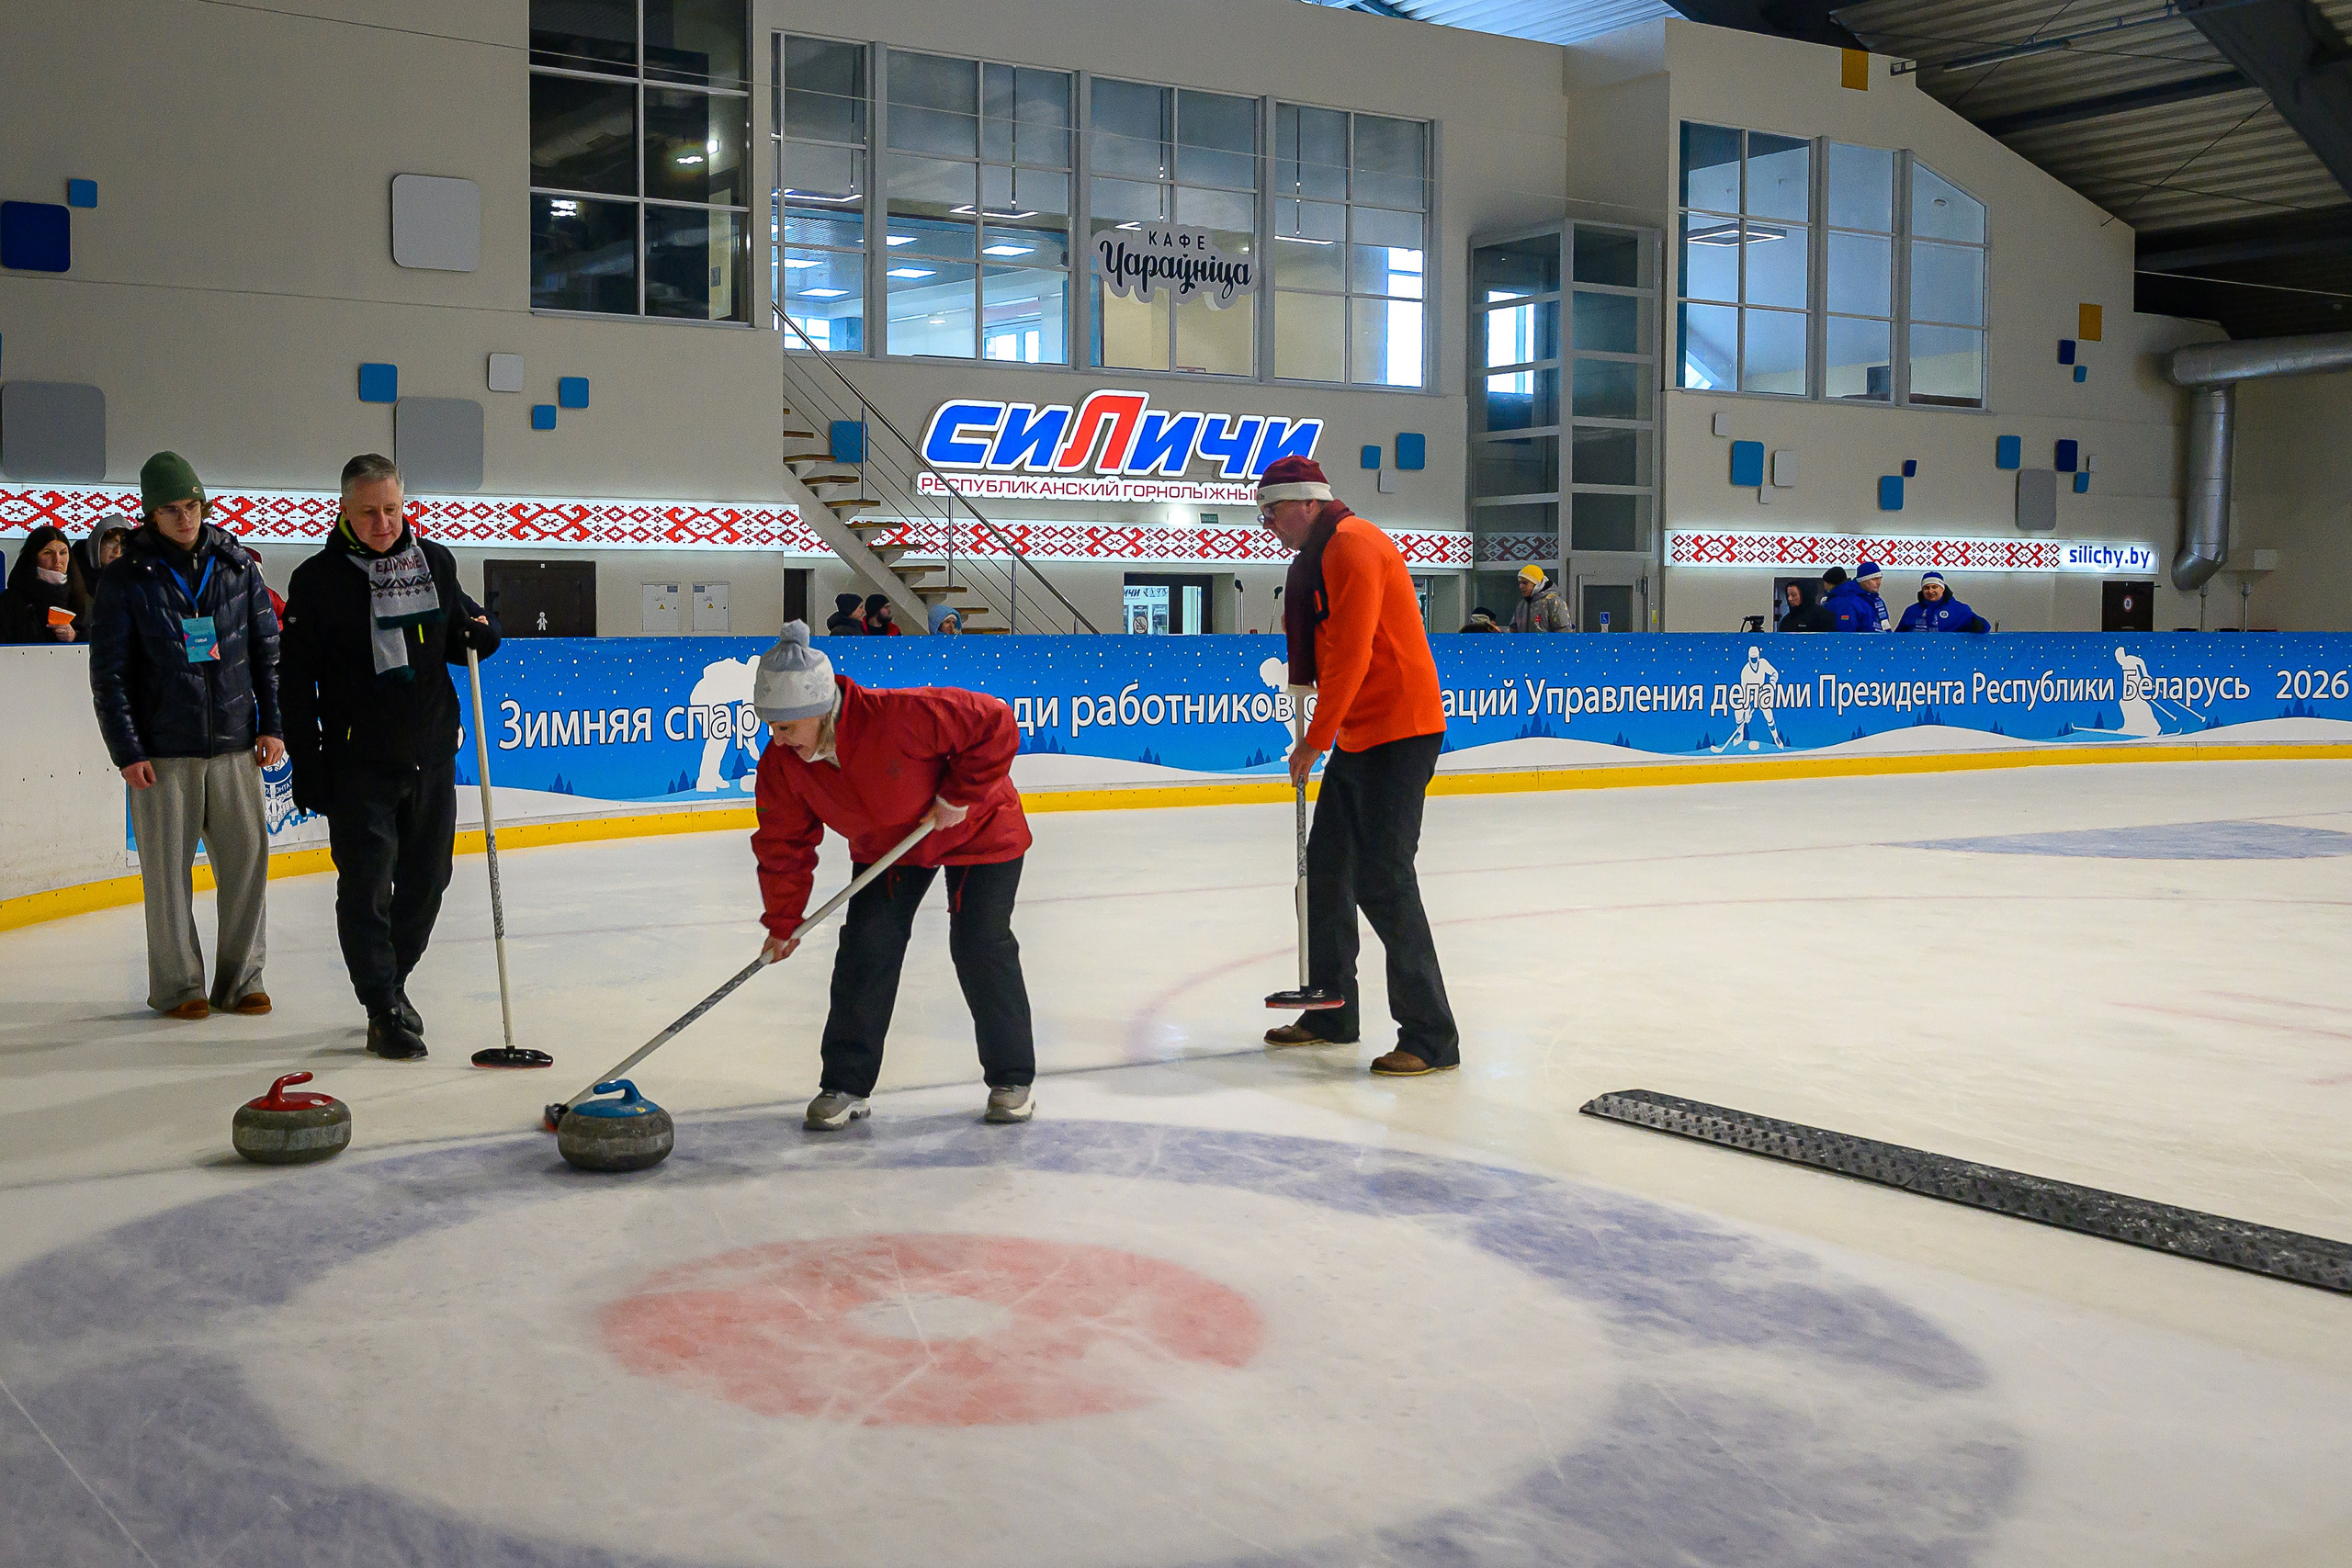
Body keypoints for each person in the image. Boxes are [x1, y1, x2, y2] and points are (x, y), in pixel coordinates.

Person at [748, 622, 1036, 1128]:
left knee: (979, 943)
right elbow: (783, 844)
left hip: (977, 829)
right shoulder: (783, 763)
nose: (777, 739)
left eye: (785, 727)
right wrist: (783, 919)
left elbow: (996, 723)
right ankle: (845, 1084)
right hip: (891, 849)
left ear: (817, 711)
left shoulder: (898, 715)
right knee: (867, 946)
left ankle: (1012, 1077)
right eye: (770, 726)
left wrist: (958, 795)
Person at [279, 453, 500, 1060]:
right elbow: (296, 685)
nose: (384, 522)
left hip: (429, 750)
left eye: (393, 508)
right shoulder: (319, 580)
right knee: (368, 885)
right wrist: (309, 763)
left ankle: (394, 981)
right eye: (370, 511)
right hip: (360, 761)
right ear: (345, 510)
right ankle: (381, 1005)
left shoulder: (432, 561)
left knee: (429, 881)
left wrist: (482, 633)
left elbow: (460, 624)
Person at [1257, 454, 1458, 1078]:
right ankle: (1331, 1009)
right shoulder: (1318, 556)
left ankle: (1430, 1035)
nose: (1268, 525)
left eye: (1274, 510)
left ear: (1309, 500)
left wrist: (1313, 741)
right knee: (1326, 870)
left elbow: (1351, 651)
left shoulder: (1353, 544)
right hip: (1364, 731)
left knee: (1383, 876)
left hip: (1402, 729)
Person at [86, 451, 283, 1019]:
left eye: (193, 506)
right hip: (163, 752)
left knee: (247, 866)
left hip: (233, 747)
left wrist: (272, 725)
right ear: (149, 514)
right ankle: (179, 987)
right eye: (171, 509)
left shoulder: (238, 567)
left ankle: (243, 980)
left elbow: (268, 658)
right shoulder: (126, 578)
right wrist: (127, 750)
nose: (185, 519)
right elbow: (110, 674)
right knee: (167, 879)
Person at [2, 527, 79, 643]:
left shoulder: (80, 596)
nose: (57, 560)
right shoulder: (10, 600)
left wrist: (75, 637)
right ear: (33, 558)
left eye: (63, 553)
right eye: (48, 553)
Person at [66, 518, 131, 629]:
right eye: (112, 542)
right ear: (96, 542)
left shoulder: (130, 579)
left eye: (123, 545)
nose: (118, 551)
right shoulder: (70, 574)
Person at [1896, 571, 1990, 634]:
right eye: (1926, 588)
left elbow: (1984, 627)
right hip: (1916, 657)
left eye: (1934, 587)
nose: (1930, 591)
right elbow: (1898, 637)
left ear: (1942, 588)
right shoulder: (1911, 611)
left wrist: (1979, 625)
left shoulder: (1959, 609)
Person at [1510, 564, 1570, 632]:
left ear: (1537, 584)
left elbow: (1564, 631)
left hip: (1547, 642)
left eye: (1525, 583)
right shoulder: (1522, 605)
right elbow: (1513, 631)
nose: (1521, 586)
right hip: (1525, 642)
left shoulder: (1553, 602)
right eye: (1520, 583)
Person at [1819, 566, 1880, 633]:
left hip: (1853, 641)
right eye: (1875, 579)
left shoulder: (1841, 602)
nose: (1824, 587)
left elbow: (1845, 632)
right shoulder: (1865, 599)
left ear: (1830, 584)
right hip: (1870, 640)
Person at [1853, 559, 1893, 632]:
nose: (1879, 583)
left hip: (1880, 641)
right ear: (1862, 581)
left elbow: (1886, 625)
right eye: (1874, 579)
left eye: (1880, 579)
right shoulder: (1852, 602)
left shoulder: (1878, 601)